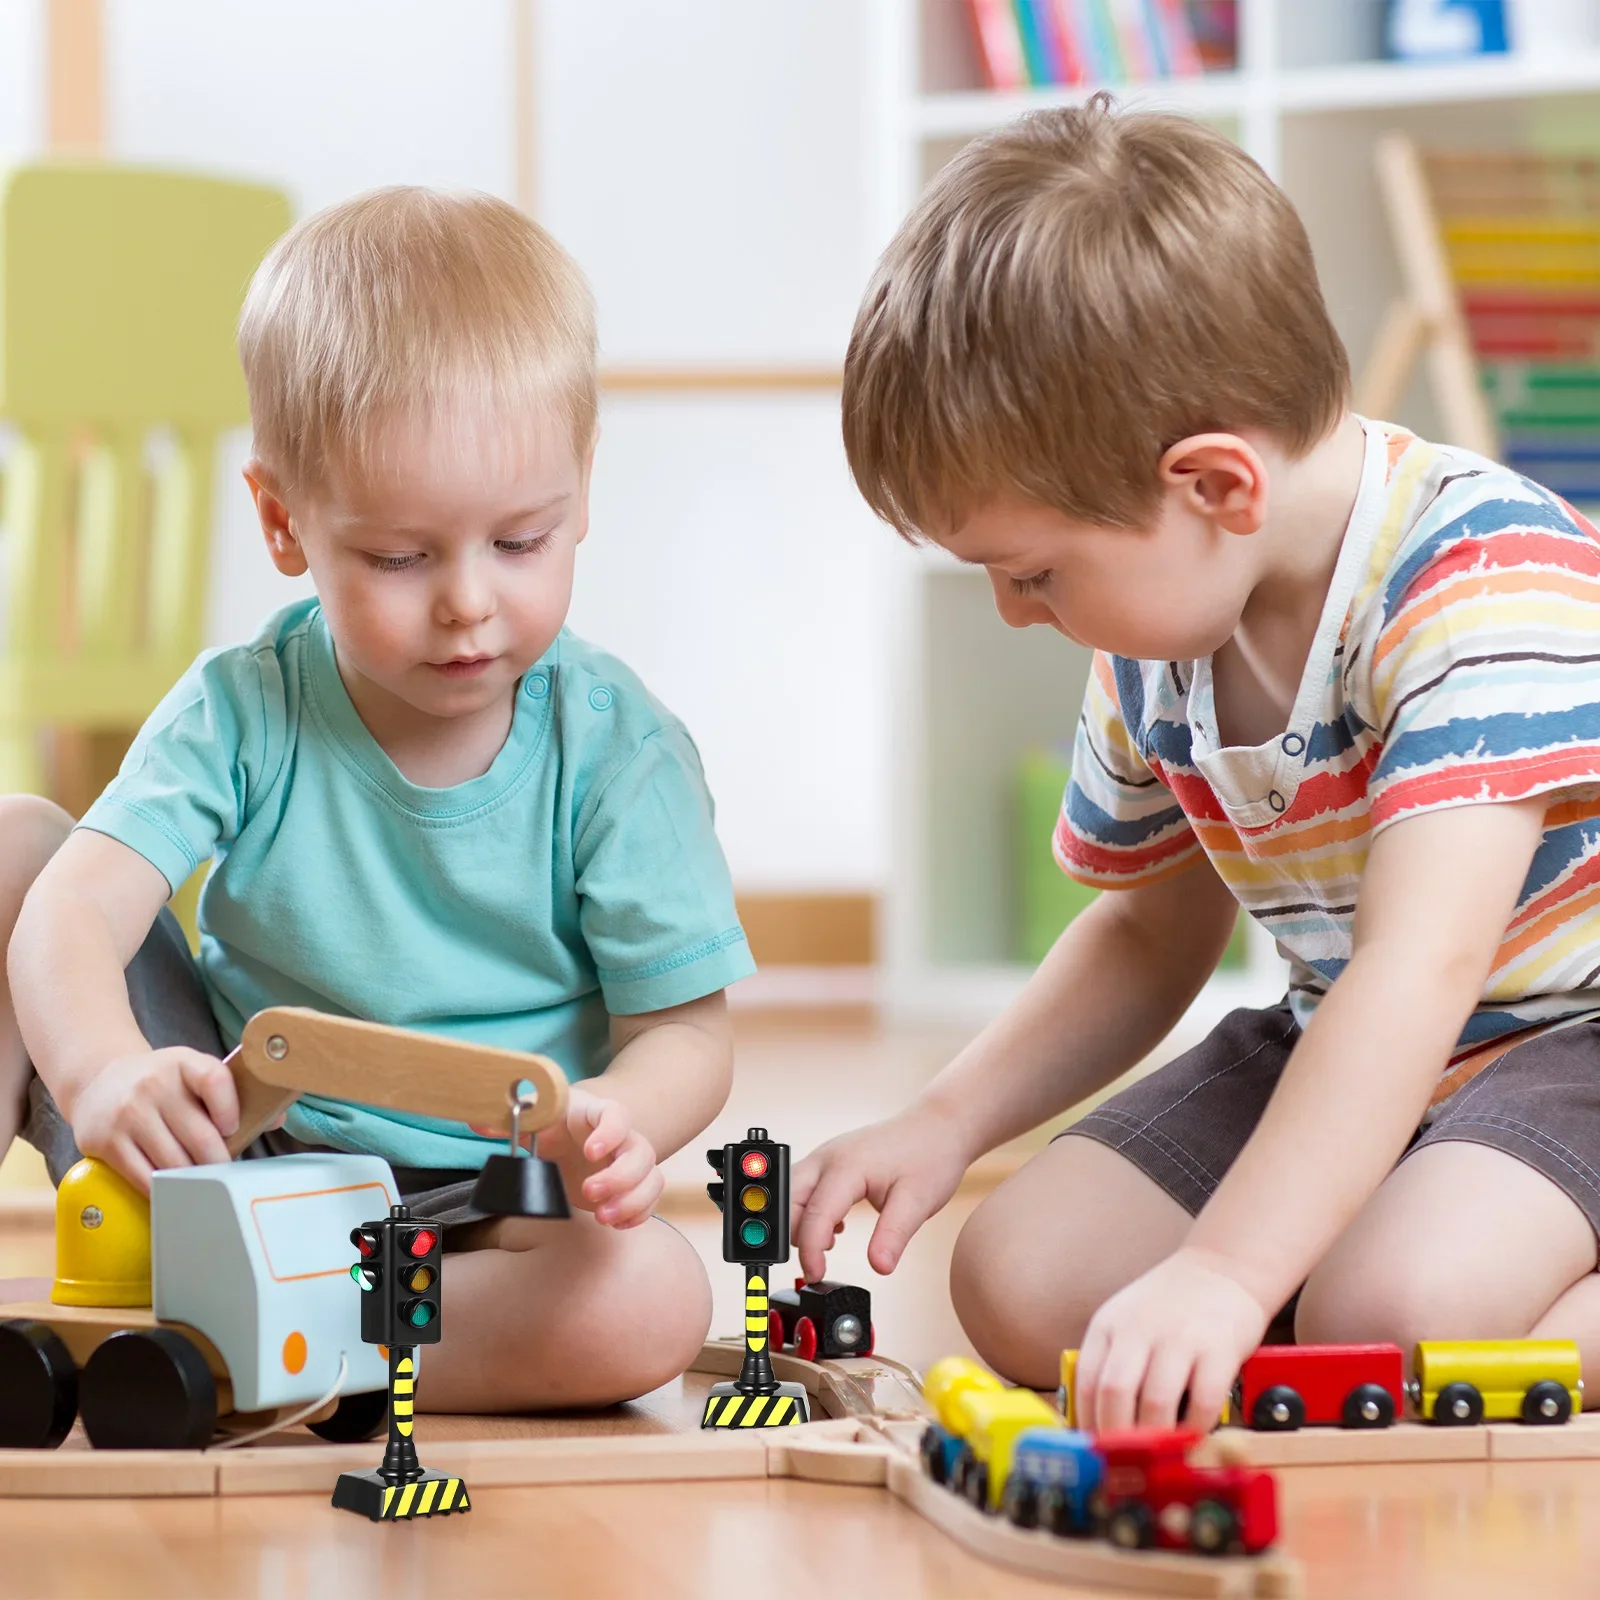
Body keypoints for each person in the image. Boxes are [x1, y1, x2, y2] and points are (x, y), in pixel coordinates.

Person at [793, 98, 1600, 1431]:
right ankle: (1349, 1269)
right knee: (1021, 1278)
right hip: (1339, 1040)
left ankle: (1392, 1284)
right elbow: (1141, 933)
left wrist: (1228, 1270)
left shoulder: (1477, 583)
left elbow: (1422, 972)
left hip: (1568, 1035)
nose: (1016, 610)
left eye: (1034, 572)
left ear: (1216, 486)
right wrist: (944, 1120)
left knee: (1390, 1319)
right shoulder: (1164, 625)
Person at [0, 188, 754, 1411]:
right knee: (19, 848)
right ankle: (263, 1309)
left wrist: (621, 1114)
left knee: (652, 1297)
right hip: (233, 1143)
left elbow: (690, 1033)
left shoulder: (619, 752)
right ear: (283, 520)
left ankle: (304, 1344)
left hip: (482, 1211)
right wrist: (104, 1076)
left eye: (520, 541)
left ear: (582, 485)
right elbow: (77, 913)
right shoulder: (245, 704)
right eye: (401, 558)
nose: (466, 601)